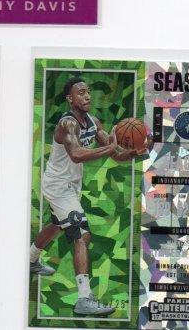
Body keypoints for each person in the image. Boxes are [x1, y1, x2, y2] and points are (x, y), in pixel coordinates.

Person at [29, 77, 137, 316]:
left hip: (71, 185)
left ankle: (30, 260)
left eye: (88, 91)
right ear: (70, 98)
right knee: (81, 234)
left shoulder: (94, 122)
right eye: (81, 92)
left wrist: (134, 152)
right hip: (57, 185)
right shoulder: (67, 124)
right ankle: (84, 298)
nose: (87, 96)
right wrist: (110, 147)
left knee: (57, 225)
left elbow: (115, 153)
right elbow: (77, 155)